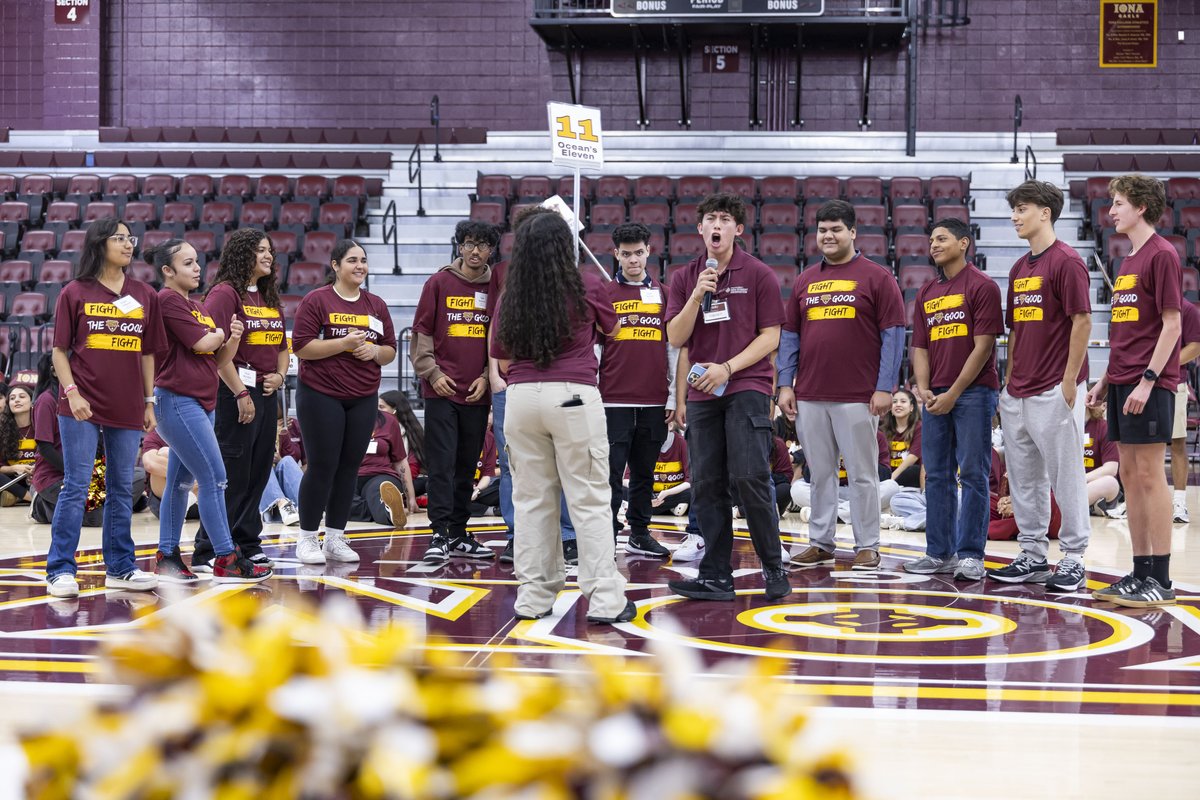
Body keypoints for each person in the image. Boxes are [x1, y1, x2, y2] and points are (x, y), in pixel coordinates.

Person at [491, 207, 634, 623]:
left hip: (519, 397)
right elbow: (617, 332)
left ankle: (533, 598)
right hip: (573, 395)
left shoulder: (511, 294)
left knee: (532, 501)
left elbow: (500, 355)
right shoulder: (587, 284)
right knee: (589, 500)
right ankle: (605, 600)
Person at [665, 192, 790, 601]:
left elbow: (771, 336)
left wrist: (729, 367)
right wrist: (698, 295)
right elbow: (676, 337)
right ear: (699, 229)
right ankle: (716, 575)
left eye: (724, 219)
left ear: (738, 228)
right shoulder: (686, 277)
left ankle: (773, 567)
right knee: (706, 484)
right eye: (710, 219)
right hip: (703, 393)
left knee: (750, 478)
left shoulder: (759, 274)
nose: (716, 225)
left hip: (746, 386)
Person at [778, 199, 906, 571]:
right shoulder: (805, 279)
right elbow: (790, 336)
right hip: (810, 395)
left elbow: (893, 335)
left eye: (836, 229)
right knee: (819, 474)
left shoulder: (877, 277)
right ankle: (820, 542)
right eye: (822, 229)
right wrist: (785, 383)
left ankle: (867, 545)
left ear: (853, 232)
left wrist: (885, 387)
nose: (828, 235)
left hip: (858, 396)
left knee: (864, 474)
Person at [46, 218, 165, 598]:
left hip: (128, 403)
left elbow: (148, 353)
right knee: (77, 484)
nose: (129, 244)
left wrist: (149, 401)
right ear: (100, 244)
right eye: (120, 238)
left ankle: (121, 567)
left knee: (119, 487)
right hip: (79, 401)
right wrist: (72, 392)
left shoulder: (144, 293)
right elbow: (59, 351)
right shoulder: (74, 292)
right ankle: (61, 569)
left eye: (131, 238)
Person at [987, 180, 1093, 592]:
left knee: (1066, 474)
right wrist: (1009, 379)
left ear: (1045, 213)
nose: (1014, 216)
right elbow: (1014, 330)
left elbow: (1082, 321)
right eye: (1014, 209)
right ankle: (1031, 554)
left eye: (1022, 208)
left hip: (1055, 386)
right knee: (1024, 475)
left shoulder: (1067, 261)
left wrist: (1069, 380)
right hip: (1019, 389)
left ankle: (1073, 557)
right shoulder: (1018, 268)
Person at [147, 239, 271, 583]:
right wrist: (216, 334)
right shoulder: (167, 299)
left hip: (201, 401)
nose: (197, 268)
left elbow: (217, 359)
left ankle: (168, 556)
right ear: (167, 271)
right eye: (188, 263)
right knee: (215, 478)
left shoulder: (196, 306)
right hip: (177, 399)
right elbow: (202, 343)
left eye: (197, 261)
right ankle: (225, 556)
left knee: (179, 482)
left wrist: (229, 339)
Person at [1087, 175, 1182, 607]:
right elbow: (1127, 329)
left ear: (1142, 206)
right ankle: (1139, 571)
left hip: (1150, 382)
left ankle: (1159, 578)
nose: (1112, 211)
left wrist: (1147, 379)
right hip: (1123, 379)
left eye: (1120, 203)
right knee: (1128, 475)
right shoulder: (1128, 259)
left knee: (1148, 476)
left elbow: (1172, 325)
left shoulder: (1161, 254)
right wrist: (1108, 378)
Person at [904, 218, 1003, 581]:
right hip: (935, 396)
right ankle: (938, 553)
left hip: (974, 393)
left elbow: (984, 346)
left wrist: (954, 393)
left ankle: (971, 555)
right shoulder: (927, 292)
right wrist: (924, 389)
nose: (933, 244)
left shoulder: (983, 286)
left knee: (974, 474)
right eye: (931, 239)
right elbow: (920, 347)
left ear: (964, 243)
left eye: (942, 238)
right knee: (938, 475)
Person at [292, 240, 397, 564]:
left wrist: (374, 352)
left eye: (363, 260)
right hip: (321, 394)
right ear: (335, 265)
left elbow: (390, 349)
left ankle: (335, 537)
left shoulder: (376, 304)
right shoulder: (317, 300)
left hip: (363, 397)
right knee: (323, 466)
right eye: (352, 260)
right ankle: (307, 538)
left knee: (349, 469)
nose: (360, 266)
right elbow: (302, 347)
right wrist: (344, 345)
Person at [190, 228, 289, 571]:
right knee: (231, 475)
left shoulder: (268, 296)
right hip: (234, 392)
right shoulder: (224, 294)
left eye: (270, 251)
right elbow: (216, 352)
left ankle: (247, 541)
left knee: (258, 472)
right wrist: (240, 393)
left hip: (265, 392)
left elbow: (282, 348)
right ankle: (209, 548)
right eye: (260, 250)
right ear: (242, 253)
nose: (268, 256)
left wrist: (280, 375)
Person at [486, 218, 580, 567]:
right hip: (517, 384)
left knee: (564, 464)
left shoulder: (571, 278)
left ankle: (567, 535)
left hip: (556, 383)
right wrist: (494, 373)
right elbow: (494, 324)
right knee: (513, 467)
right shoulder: (506, 276)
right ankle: (517, 536)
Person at [411, 220, 496, 562]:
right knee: (442, 466)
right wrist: (432, 373)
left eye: (483, 245)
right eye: (469, 244)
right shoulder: (439, 282)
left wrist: (488, 377)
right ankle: (439, 533)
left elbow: (500, 338)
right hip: (441, 391)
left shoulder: (497, 287)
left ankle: (459, 533)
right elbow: (422, 334)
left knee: (467, 466)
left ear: (492, 250)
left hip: (478, 392)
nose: (475, 251)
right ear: (459, 246)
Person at [600, 222, 674, 558]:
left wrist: (673, 396)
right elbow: (594, 350)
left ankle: (640, 532)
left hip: (654, 400)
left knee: (645, 472)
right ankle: (607, 534)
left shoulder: (664, 293)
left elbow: (673, 348)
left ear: (649, 252)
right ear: (616, 254)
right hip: (611, 400)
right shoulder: (603, 295)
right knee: (611, 474)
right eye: (626, 254)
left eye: (639, 253)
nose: (633, 260)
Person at [30, 355, 80, 525]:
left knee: (136, 476)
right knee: (96, 516)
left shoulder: (79, 399)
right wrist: (74, 473)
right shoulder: (46, 401)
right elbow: (45, 448)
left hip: (82, 473)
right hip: (53, 477)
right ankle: (41, 505)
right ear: (54, 370)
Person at [349, 407, 417, 527]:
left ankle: (390, 513)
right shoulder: (341, 418)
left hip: (380, 475)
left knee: (378, 492)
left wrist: (411, 498)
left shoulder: (389, 420)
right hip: (348, 475)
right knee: (337, 502)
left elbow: (400, 461)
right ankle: (386, 510)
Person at [1169, 300, 1200, 522]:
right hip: (1139, 381)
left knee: (1177, 441)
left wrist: (1162, 365)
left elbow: (1195, 346)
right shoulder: (1146, 305)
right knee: (1144, 447)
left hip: (1173, 383)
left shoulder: (1187, 309)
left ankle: (1179, 503)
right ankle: (1139, 500)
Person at [379, 390, 427, 501]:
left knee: (427, 484)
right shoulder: (374, 429)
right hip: (378, 476)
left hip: (403, 479)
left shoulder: (410, 433)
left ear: (395, 410)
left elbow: (413, 467)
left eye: (382, 407)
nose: (378, 411)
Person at [1082, 394, 1121, 513]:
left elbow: (1111, 469)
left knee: (1110, 483)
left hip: (1091, 484)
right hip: (1065, 487)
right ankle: (1089, 506)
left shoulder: (1104, 427)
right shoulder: (1062, 427)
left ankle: (1068, 507)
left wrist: (1080, 480)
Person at [0, 384, 36, 506]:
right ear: (8, 405)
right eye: (12, 398)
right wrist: (15, 468)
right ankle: (32, 498)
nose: (17, 400)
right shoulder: (2, 429)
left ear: (32, 401)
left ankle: (17, 496)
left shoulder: (41, 425)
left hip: (37, 476)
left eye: (22, 397)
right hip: (12, 479)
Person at [881, 389, 922, 489]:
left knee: (914, 471)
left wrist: (891, 480)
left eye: (903, 401)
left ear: (911, 407)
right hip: (887, 476)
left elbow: (913, 457)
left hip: (906, 476)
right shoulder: (883, 429)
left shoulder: (920, 427)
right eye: (894, 402)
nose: (898, 404)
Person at [467, 420, 499, 517]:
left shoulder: (490, 437)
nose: (488, 418)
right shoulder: (456, 434)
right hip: (458, 486)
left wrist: (478, 489)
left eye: (491, 412)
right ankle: (492, 510)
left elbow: (487, 474)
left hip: (480, 490)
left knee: (505, 487)